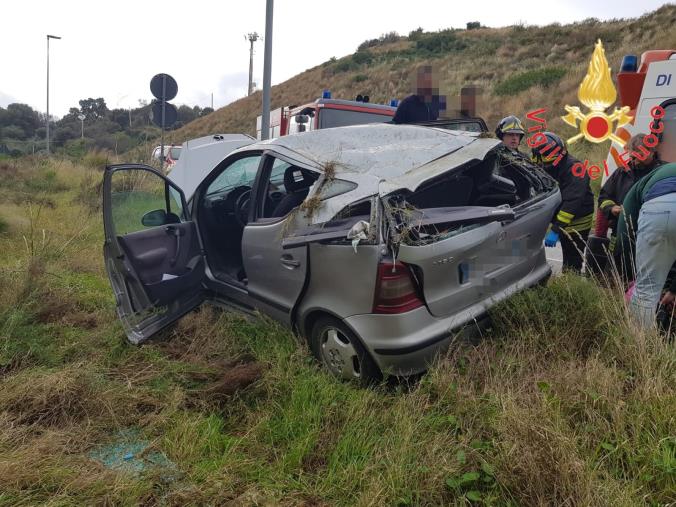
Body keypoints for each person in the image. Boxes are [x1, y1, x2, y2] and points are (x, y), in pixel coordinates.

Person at [615, 162, 676, 329]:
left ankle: (641, 348)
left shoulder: (645, 182)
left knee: (646, 290)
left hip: (660, 209)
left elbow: (624, 233)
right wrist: (673, 290)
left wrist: (629, 274)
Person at [531, 131, 594, 272]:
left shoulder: (575, 168)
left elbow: (572, 202)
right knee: (568, 256)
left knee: (572, 261)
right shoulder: (552, 165)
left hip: (578, 221)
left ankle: (571, 287)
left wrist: (556, 229)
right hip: (564, 220)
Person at [598, 134, 662, 248]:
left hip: (652, 238)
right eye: (632, 157)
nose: (636, 161)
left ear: (652, 152)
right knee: (616, 265)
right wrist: (611, 208)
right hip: (620, 233)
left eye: (641, 156)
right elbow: (603, 197)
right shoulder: (621, 172)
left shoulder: (662, 173)